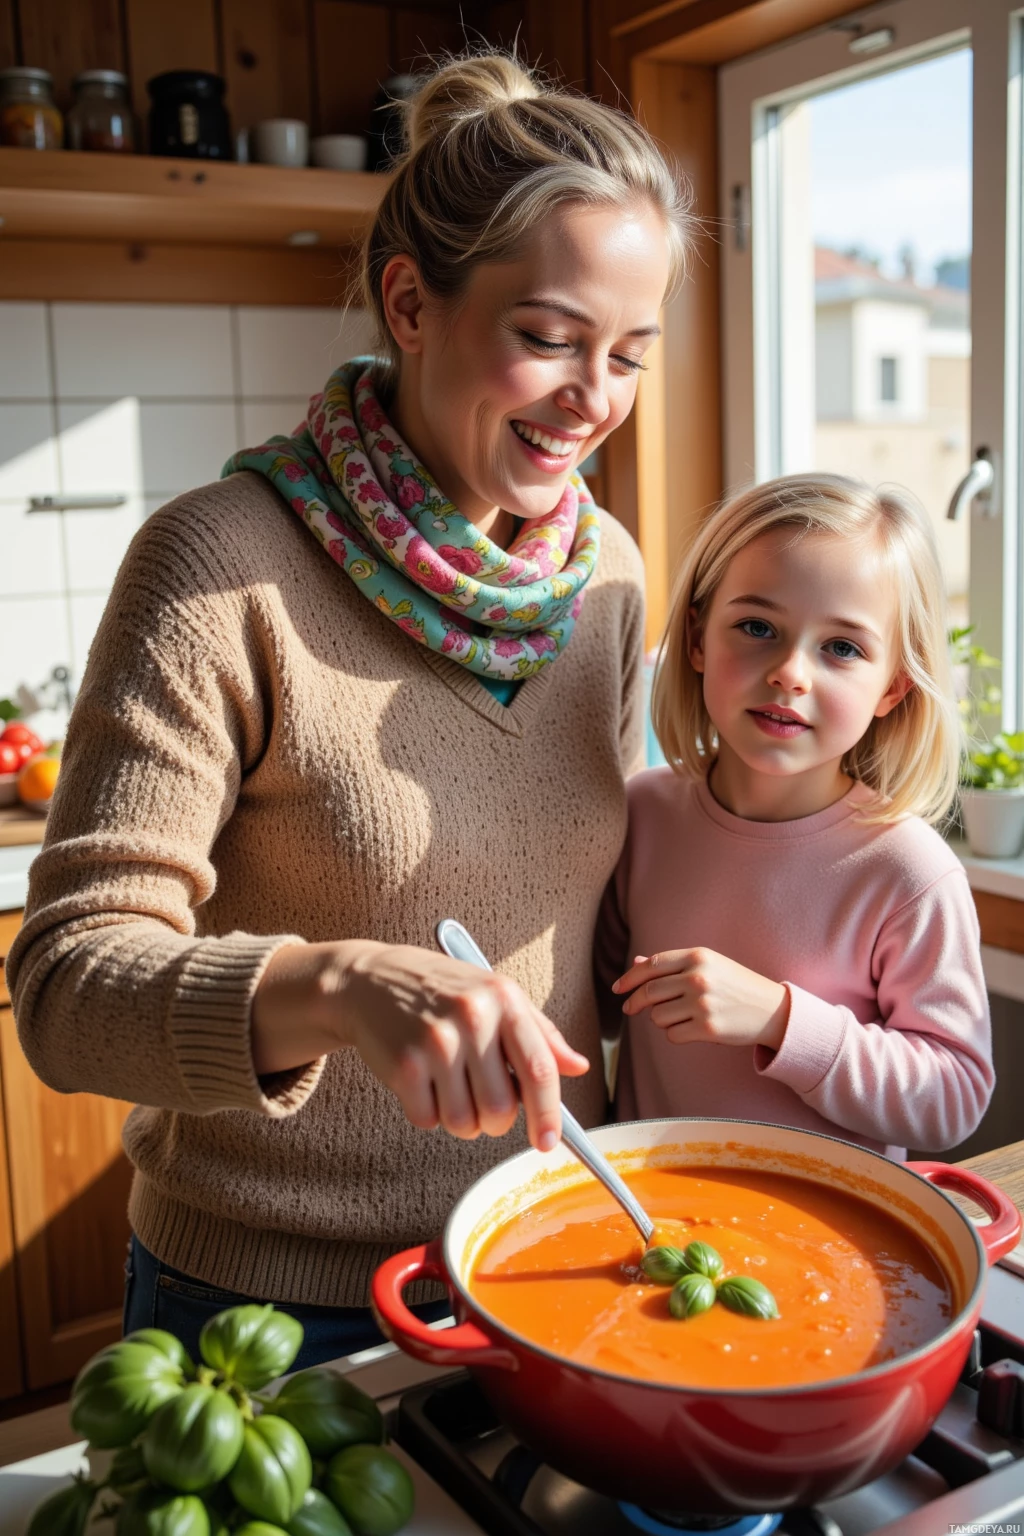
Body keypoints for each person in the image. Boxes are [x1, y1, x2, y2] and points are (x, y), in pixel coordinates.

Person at [7, 51, 692, 1366]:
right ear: (411, 303)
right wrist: (335, 984)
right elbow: (65, 986)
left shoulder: (603, 574)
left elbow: (592, 911)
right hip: (270, 1310)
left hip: (547, 1257)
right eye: (549, 338)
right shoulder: (220, 565)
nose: (594, 399)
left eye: (628, 355)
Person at [598, 473, 994, 1157]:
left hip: (825, 1218)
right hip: (647, 1208)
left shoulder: (909, 871)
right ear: (697, 639)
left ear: (893, 688)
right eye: (757, 627)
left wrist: (781, 1020)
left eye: (842, 648)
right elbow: (593, 1005)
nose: (790, 673)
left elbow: (953, 1098)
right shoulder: (642, 815)